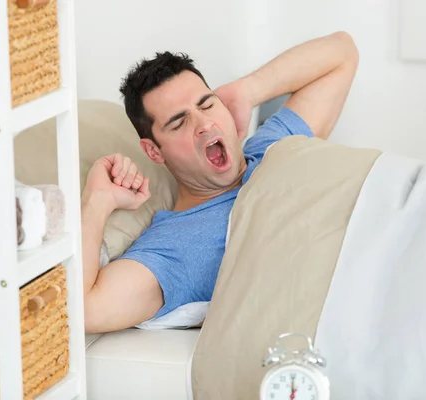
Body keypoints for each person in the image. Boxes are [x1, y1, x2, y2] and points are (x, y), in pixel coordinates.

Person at [81, 31, 359, 333]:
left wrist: (247, 91)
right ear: (153, 151)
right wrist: (97, 201)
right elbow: (84, 312)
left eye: (207, 104)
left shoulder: (271, 144)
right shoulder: (176, 247)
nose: (204, 124)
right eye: (179, 121)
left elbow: (342, 52)